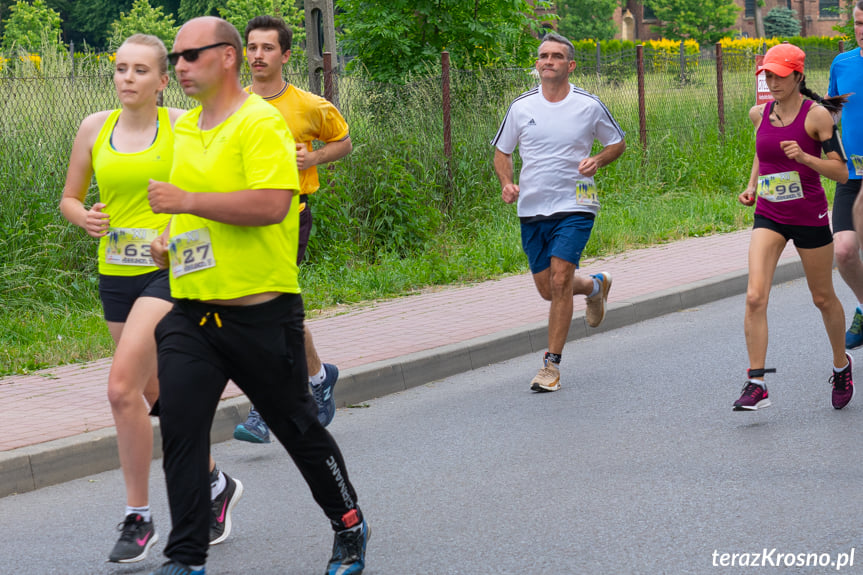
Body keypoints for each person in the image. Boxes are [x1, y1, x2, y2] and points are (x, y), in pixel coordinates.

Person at [145, 17, 368, 575]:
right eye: (175, 56)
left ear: (226, 58)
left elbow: (272, 206)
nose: (180, 66)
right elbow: (188, 213)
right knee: (180, 428)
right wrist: (168, 243)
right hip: (192, 311)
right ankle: (186, 557)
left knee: (297, 428)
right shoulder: (188, 128)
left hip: (260, 314)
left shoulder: (260, 122)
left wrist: (188, 202)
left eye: (190, 55)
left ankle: (349, 523)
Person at [58, 34, 242, 564]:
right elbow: (70, 197)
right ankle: (214, 484)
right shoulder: (95, 128)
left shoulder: (186, 125)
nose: (127, 79)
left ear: (164, 80)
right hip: (116, 271)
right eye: (120, 69)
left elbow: (216, 189)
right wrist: (85, 217)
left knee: (121, 390)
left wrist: (180, 224)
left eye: (141, 70)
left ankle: (138, 516)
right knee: (158, 397)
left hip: (175, 268)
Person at [232, 14, 352, 444]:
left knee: (267, 310)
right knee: (274, 312)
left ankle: (266, 409)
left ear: (284, 55)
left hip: (288, 215)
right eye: (252, 47)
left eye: (267, 48)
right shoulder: (235, 103)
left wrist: (313, 159)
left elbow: (343, 141)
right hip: (243, 219)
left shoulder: (307, 105)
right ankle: (319, 378)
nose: (258, 55)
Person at [491, 32, 625, 393]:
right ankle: (596, 286)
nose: (548, 61)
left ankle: (551, 366)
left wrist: (597, 159)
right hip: (533, 206)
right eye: (543, 56)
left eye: (556, 56)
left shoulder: (588, 105)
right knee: (549, 290)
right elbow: (502, 152)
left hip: (577, 203)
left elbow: (617, 142)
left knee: (562, 278)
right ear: (537, 64)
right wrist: (506, 182)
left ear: (570, 65)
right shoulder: (521, 107)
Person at [734, 43, 852, 411]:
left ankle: (841, 364)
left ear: (798, 76)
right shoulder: (760, 112)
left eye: (780, 75)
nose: (772, 81)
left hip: (809, 216)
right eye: (768, 75)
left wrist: (804, 158)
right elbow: (761, 150)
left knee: (822, 297)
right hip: (769, 214)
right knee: (755, 296)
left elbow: (842, 172)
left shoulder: (817, 117)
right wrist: (753, 184)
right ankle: (757, 381)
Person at [829, 2, 863, 350]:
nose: (862, 30)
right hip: (853, 174)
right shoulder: (843, 63)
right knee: (845, 251)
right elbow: (831, 114)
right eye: (858, 23)